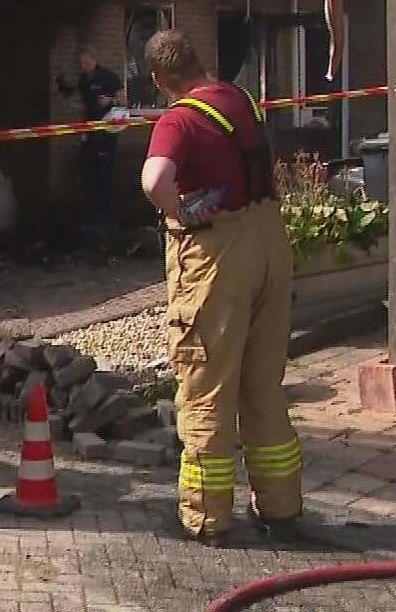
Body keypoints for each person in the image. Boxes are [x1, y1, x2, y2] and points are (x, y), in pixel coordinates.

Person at [138, 29, 303, 545]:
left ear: (159, 80)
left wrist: (179, 211)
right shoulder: (242, 99)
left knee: (206, 386)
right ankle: (280, 508)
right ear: (199, 61)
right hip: (270, 245)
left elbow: (153, 180)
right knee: (261, 387)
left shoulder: (178, 118)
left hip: (219, 258)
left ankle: (207, 517)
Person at [57, 45, 125, 227]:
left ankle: (109, 218)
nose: (85, 66)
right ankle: (92, 216)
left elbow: (125, 100)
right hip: (90, 131)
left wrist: (109, 100)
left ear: (95, 60)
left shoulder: (108, 77)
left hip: (107, 132)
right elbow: (82, 102)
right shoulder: (83, 80)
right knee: (89, 172)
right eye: (82, 64)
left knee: (104, 174)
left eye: (87, 63)